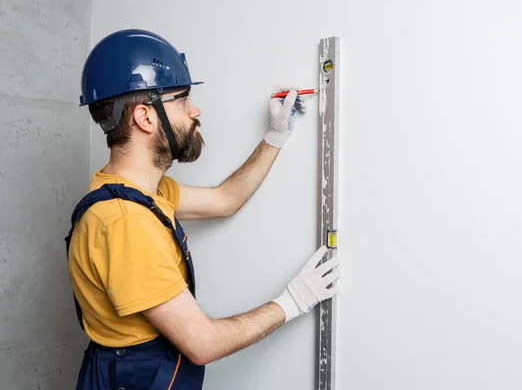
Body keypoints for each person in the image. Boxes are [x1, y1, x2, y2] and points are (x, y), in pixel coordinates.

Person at [65, 29, 341, 390]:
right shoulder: (124, 222)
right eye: (183, 100)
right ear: (146, 118)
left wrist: (275, 137)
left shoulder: (141, 192)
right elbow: (203, 344)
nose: (196, 111)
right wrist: (293, 301)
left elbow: (225, 199)